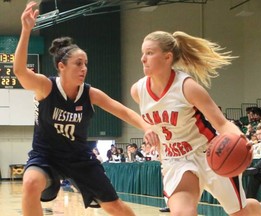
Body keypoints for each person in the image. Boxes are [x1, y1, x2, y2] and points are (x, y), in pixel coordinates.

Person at [14, 2, 158, 216]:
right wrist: (26, 31)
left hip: (79, 158)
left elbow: (123, 111)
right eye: (78, 63)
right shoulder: (46, 87)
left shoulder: (90, 93)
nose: (84, 69)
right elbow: (19, 70)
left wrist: (147, 127)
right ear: (61, 66)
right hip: (46, 155)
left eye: (86, 64)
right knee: (30, 183)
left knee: (115, 206)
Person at [131, 30, 261, 215]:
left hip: (208, 153)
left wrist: (242, 140)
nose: (143, 59)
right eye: (142, 53)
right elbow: (155, 122)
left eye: (149, 53)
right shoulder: (138, 91)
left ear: (167, 57)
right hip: (175, 160)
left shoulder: (186, 86)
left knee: (242, 212)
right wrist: (151, 131)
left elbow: (221, 123)